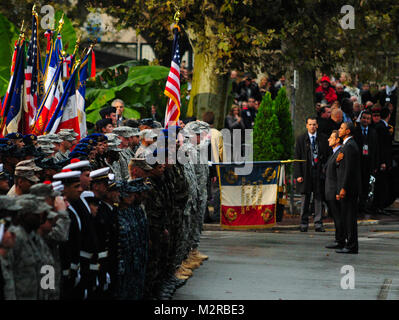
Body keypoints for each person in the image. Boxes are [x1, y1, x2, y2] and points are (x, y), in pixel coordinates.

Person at [294, 117, 329, 232]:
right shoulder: (301, 139)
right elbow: (297, 158)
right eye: (310, 124)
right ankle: (304, 222)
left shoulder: (323, 138)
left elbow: (327, 155)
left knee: (318, 197)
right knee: (305, 197)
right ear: (306, 125)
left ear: (317, 125)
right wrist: (298, 175)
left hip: (318, 171)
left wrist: (325, 170)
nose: (312, 127)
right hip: (305, 172)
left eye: (314, 124)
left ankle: (318, 223)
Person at [336, 122, 361, 254]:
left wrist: (344, 187)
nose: (339, 130)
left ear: (348, 131)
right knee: (347, 216)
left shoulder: (350, 146)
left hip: (350, 188)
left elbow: (349, 170)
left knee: (350, 218)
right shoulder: (347, 145)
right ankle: (348, 243)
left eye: (341, 128)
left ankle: (351, 245)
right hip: (347, 187)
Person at [353, 111, 379, 216]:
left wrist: (376, 164)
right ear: (361, 119)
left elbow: (377, 149)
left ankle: (363, 206)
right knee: (357, 185)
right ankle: (356, 206)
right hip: (358, 163)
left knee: (366, 186)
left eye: (368, 119)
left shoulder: (373, 132)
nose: (366, 120)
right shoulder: (355, 131)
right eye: (364, 118)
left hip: (369, 163)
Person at [324, 131, 345, 249]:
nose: (328, 139)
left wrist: (338, 191)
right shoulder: (333, 153)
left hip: (334, 191)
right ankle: (339, 238)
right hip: (330, 190)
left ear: (337, 140)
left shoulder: (339, 153)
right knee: (336, 216)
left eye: (331, 137)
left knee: (338, 217)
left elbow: (340, 174)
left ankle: (340, 240)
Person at [373, 107, 394, 214]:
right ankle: (378, 206)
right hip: (382, 162)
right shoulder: (381, 128)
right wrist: (383, 162)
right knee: (381, 184)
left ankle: (379, 205)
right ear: (389, 115)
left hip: (383, 161)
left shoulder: (381, 127)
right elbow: (382, 147)